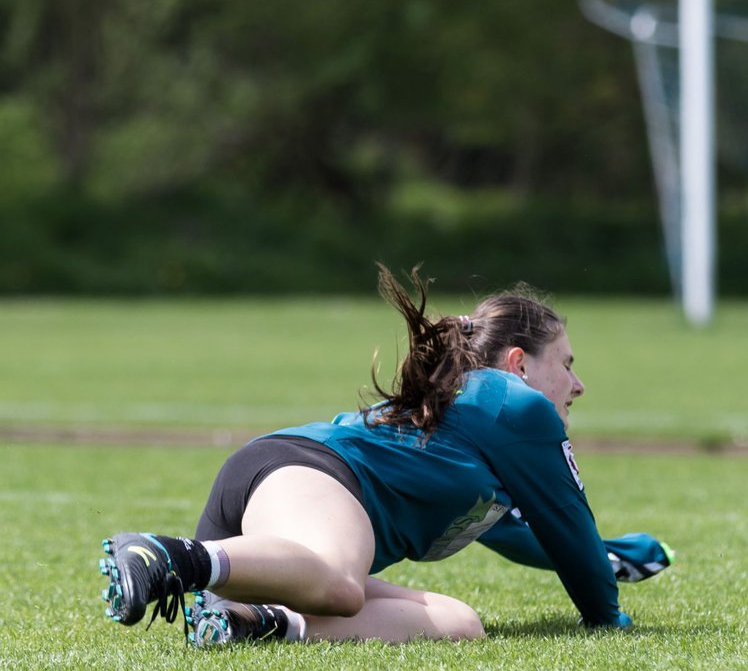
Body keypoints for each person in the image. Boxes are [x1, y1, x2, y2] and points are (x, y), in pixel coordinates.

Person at [95, 265, 673, 647]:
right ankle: (172, 557)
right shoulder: (514, 407)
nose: (578, 385)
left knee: (457, 625)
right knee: (344, 585)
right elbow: (567, 521)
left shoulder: (483, 428)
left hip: (283, 518)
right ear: (520, 363)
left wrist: (612, 556)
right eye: (567, 363)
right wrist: (608, 616)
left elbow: (534, 534)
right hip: (304, 475)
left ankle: (255, 619)